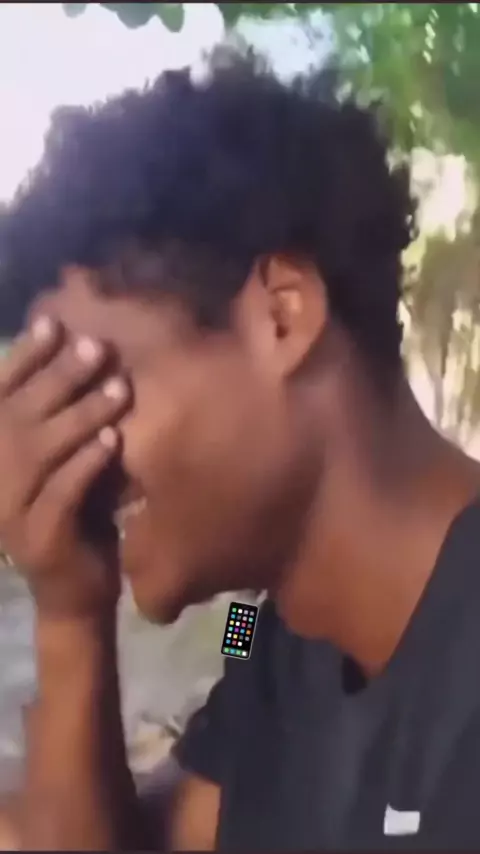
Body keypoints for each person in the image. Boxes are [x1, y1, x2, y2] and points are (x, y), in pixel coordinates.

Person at [0, 47, 480, 852]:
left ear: (282, 318)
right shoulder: (284, 647)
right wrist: (69, 611)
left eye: (92, 387)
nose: (67, 463)